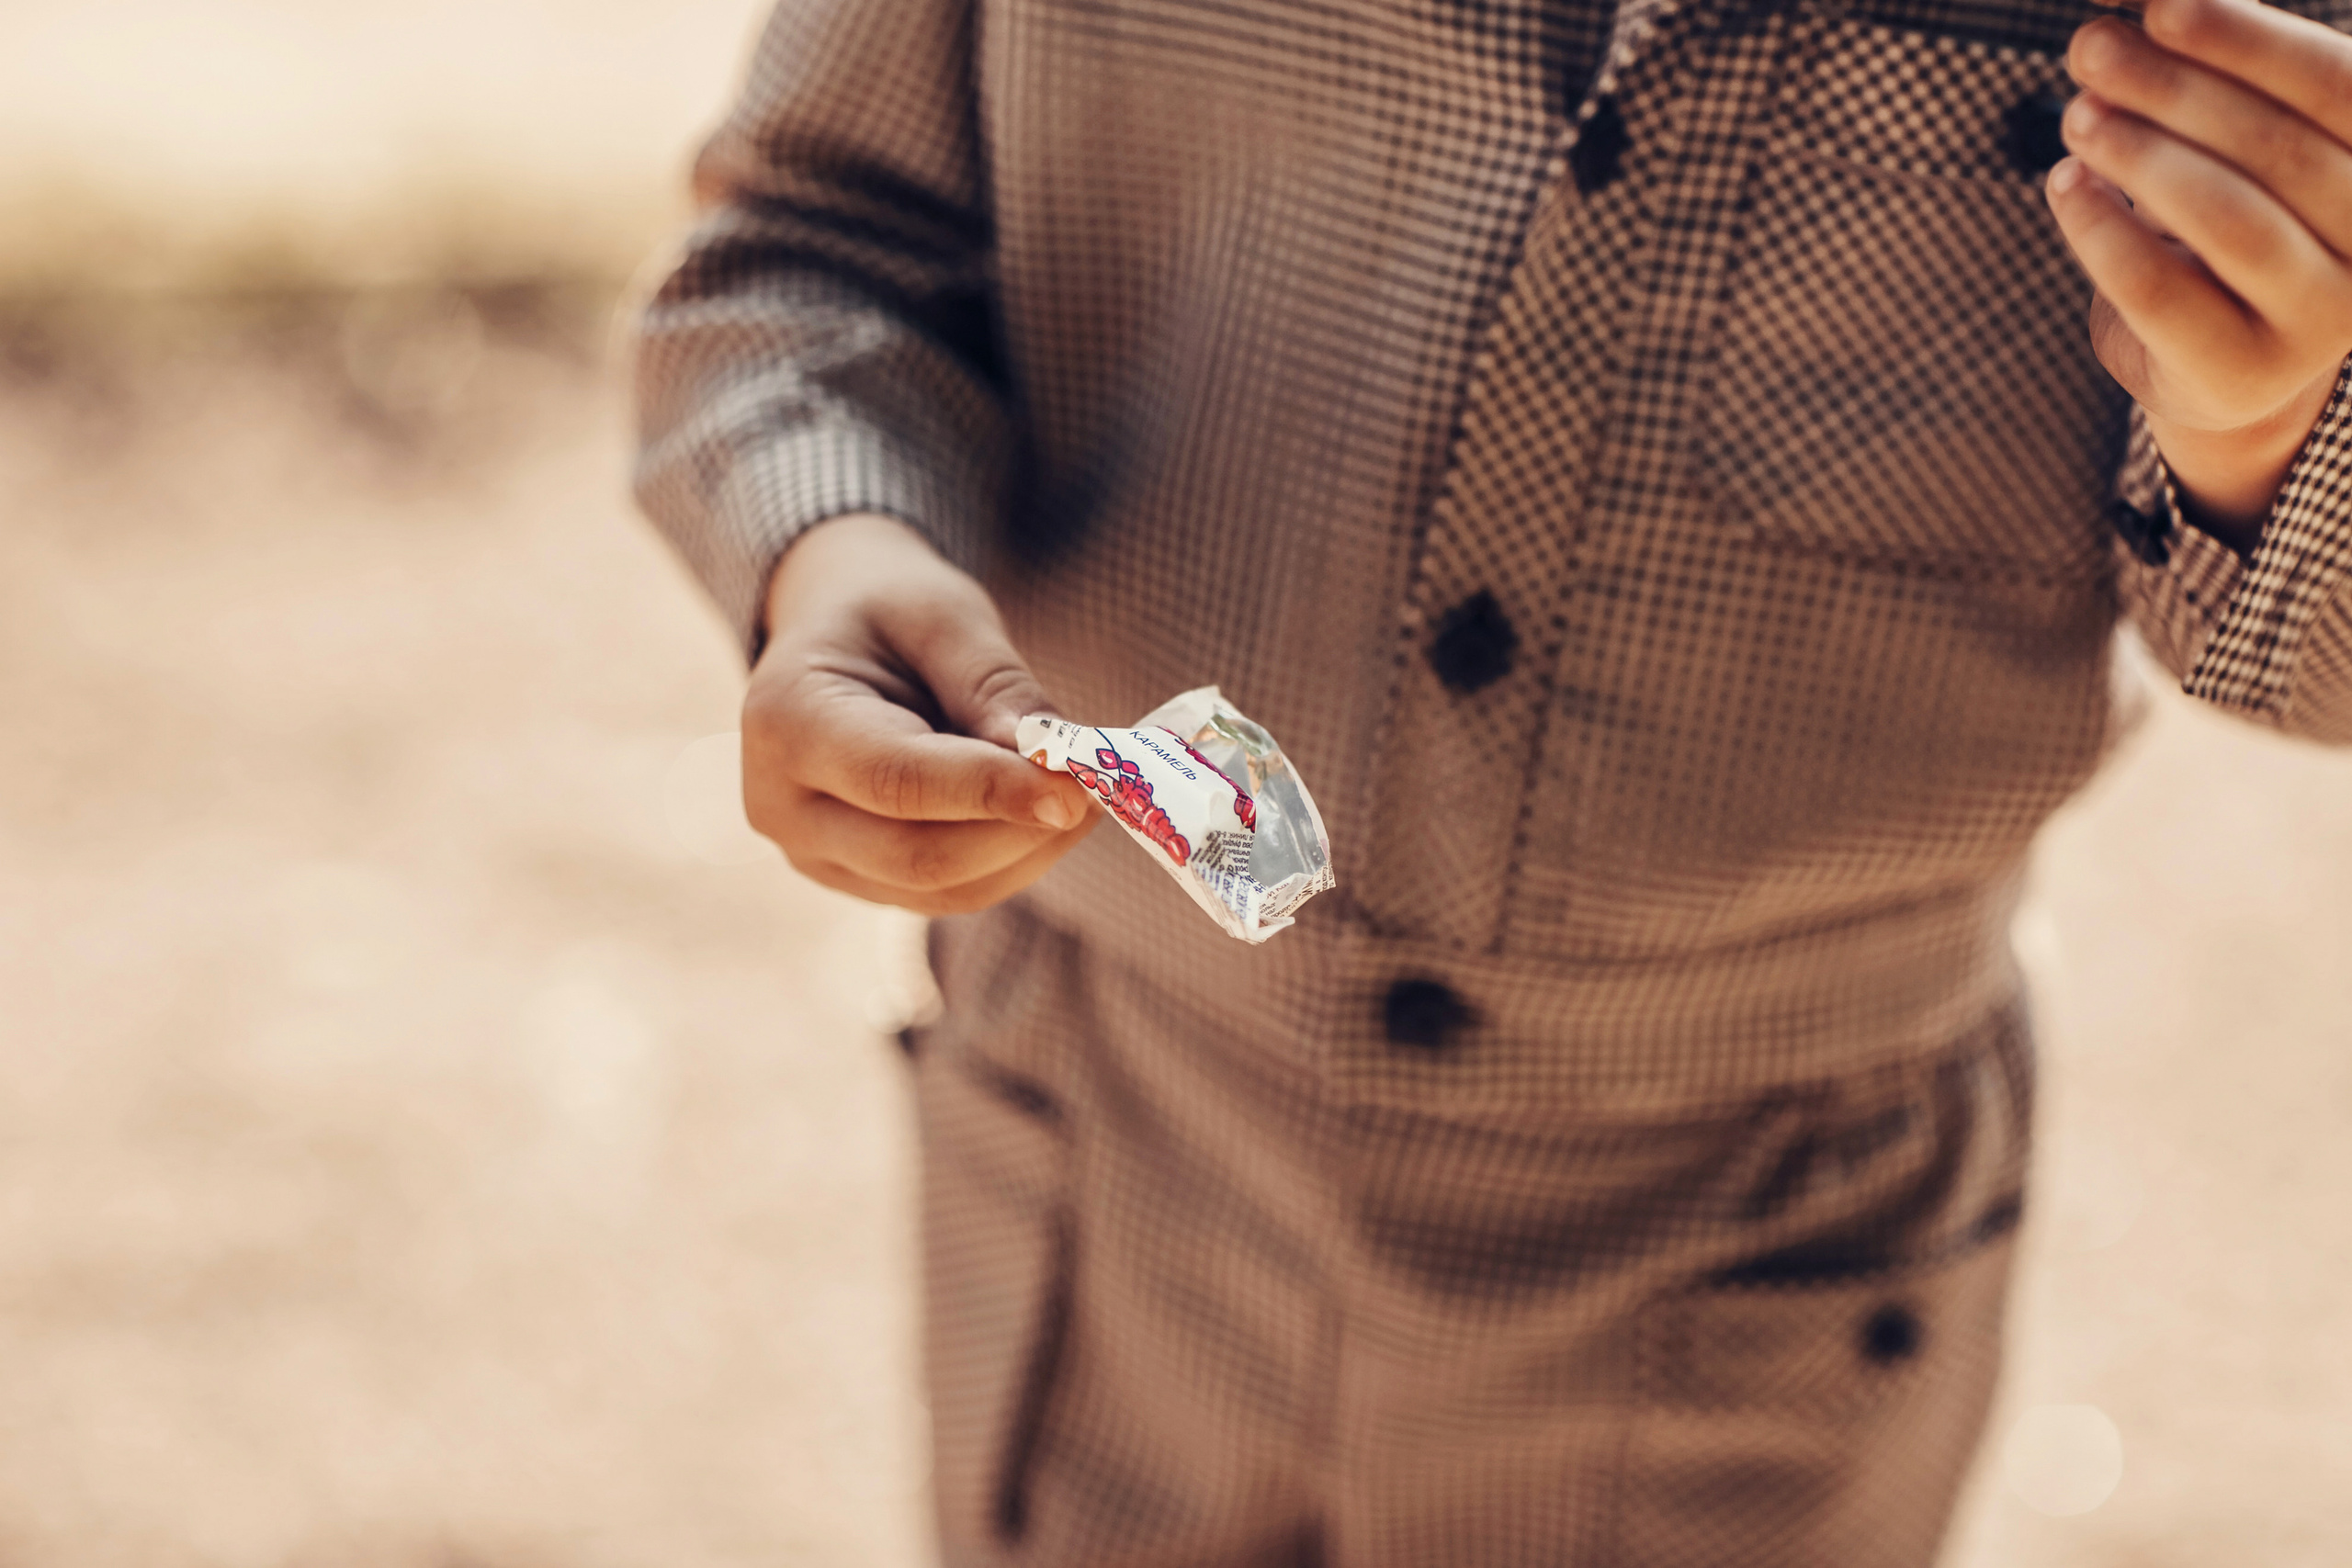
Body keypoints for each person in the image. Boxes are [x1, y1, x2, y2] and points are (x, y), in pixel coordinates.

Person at [633, 0, 2352, 1559]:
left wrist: (2265, 421)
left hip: (1770, 1239)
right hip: (1103, 1123)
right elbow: (815, 240)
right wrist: (833, 541)